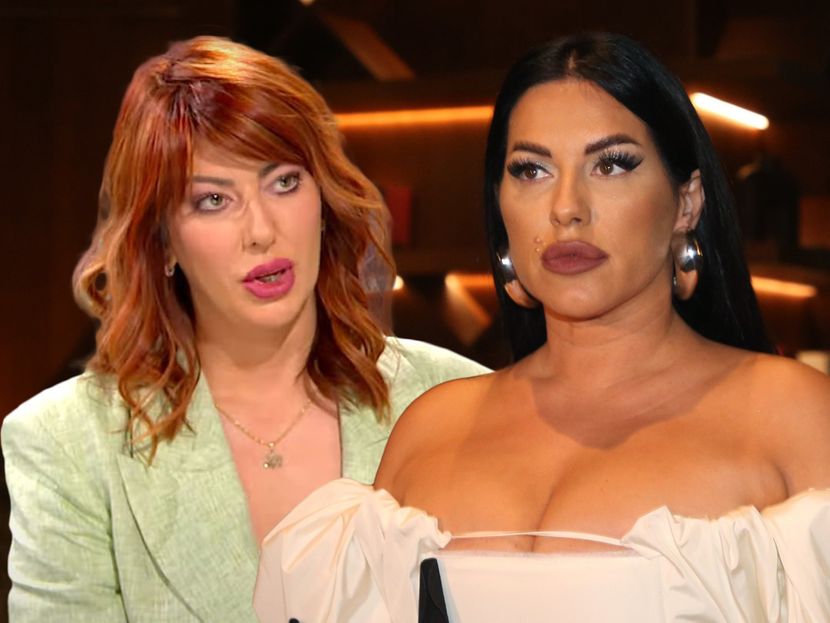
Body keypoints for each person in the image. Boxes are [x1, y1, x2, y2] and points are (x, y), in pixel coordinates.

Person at [255, 32, 830, 622]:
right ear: (500, 204)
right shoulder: (431, 427)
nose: (566, 207)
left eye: (611, 164)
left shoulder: (793, 416)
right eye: (531, 170)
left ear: (687, 202)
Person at [2, 36, 487, 621]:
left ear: (324, 200)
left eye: (284, 182)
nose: (261, 231)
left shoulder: (455, 399)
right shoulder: (66, 441)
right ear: (161, 242)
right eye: (212, 200)